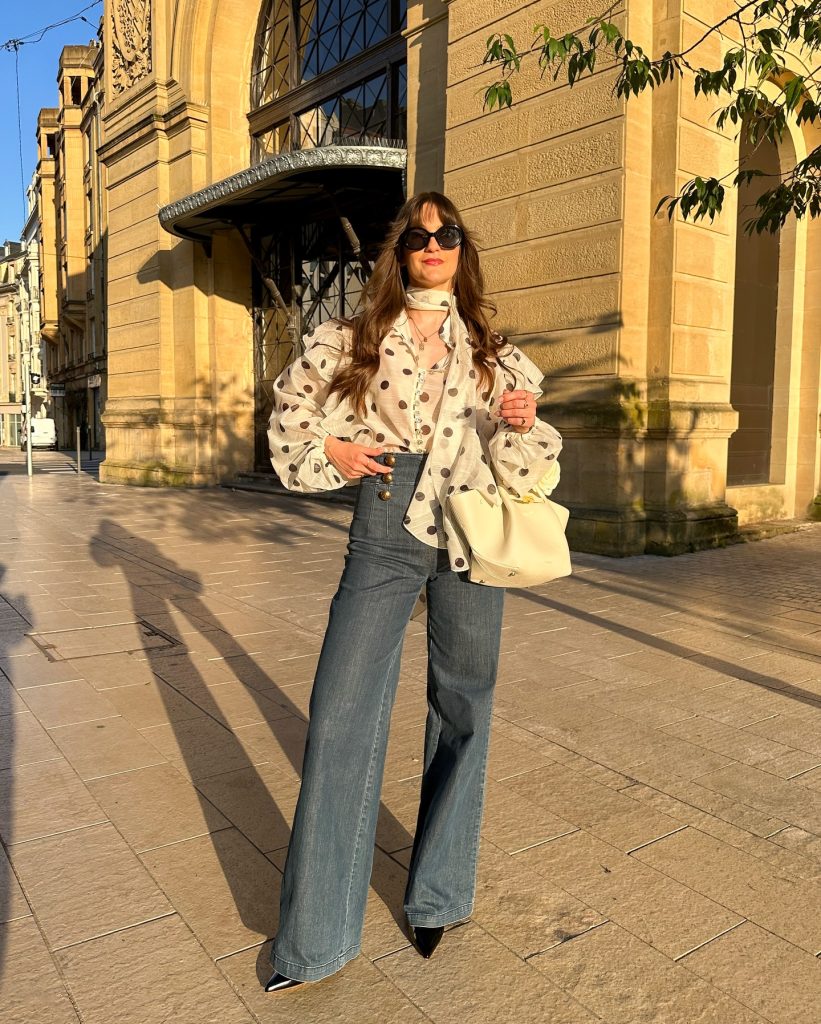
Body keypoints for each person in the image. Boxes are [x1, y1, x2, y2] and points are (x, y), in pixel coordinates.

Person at [265, 191, 562, 991]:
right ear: (399, 252)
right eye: (419, 236)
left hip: (473, 527)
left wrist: (521, 423)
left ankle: (437, 895)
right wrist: (332, 442)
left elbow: (529, 461)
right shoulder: (351, 338)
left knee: (464, 704)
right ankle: (316, 940)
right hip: (386, 519)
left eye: (447, 234)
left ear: (462, 250)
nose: (433, 245)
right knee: (338, 719)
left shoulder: (494, 351)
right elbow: (287, 420)